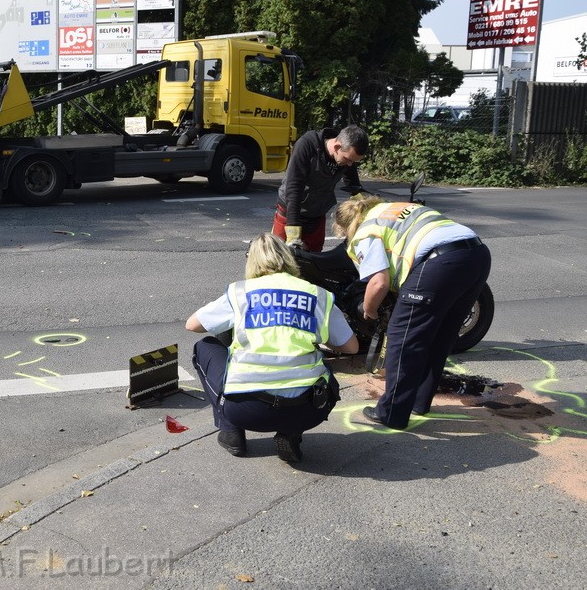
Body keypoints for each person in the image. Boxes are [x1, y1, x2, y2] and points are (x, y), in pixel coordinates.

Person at [186, 233, 359, 463]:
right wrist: (320, 336)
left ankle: (231, 431)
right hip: (306, 410)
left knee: (204, 347)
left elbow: (193, 325)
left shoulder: (241, 292)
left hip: (245, 410)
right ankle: (291, 433)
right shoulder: (317, 294)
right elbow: (351, 347)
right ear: (288, 258)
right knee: (324, 373)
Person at [333, 194, 491, 429]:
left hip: (440, 263)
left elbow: (379, 283)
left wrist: (369, 311)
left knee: (402, 337)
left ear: (346, 227)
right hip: (477, 254)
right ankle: (419, 401)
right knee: (441, 334)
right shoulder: (394, 208)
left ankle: (392, 413)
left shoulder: (365, 231)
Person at [273, 125, 369, 252]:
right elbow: (294, 187)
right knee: (278, 259)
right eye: (348, 159)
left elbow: (354, 185)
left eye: (354, 162)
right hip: (289, 213)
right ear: (337, 147)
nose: (350, 164)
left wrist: (367, 203)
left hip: (316, 216)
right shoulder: (307, 145)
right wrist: (293, 233)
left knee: (313, 263)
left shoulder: (346, 155)